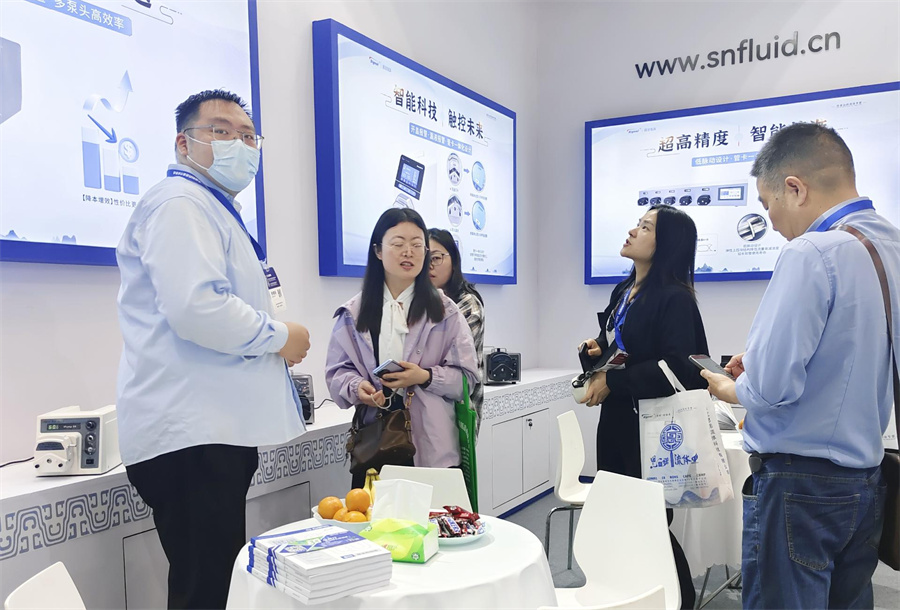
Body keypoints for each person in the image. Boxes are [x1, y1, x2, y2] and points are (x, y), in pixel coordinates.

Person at [116, 90, 310, 609]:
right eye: (222, 131)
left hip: (211, 433)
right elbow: (196, 308)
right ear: (184, 143)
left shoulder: (212, 209)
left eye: (248, 136)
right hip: (192, 435)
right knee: (206, 590)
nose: (239, 145)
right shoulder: (179, 203)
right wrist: (280, 337)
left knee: (215, 583)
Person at [702, 122, 898, 610]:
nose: (769, 221)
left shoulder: (811, 251)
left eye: (767, 204)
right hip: (868, 477)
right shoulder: (890, 246)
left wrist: (731, 388)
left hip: (800, 484)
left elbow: (769, 388)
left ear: (795, 188)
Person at [578, 205, 707, 609]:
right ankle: (635, 597)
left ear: (665, 243)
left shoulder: (675, 298)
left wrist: (613, 380)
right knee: (622, 518)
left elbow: (681, 368)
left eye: (646, 227)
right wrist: (597, 352)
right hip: (616, 421)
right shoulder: (624, 290)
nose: (633, 231)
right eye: (638, 224)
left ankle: (678, 599)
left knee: (649, 523)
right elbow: (621, 347)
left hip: (653, 430)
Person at [326, 209, 479, 488]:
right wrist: (358, 387)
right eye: (398, 244)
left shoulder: (446, 312)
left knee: (435, 516)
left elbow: (467, 381)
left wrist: (425, 377)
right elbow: (337, 374)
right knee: (374, 517)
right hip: (375, 445)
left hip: (432, 449)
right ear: (378, 251)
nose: (408, 252)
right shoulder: (353, 313)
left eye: (417, 245)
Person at [427, 228, 485, 435]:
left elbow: (442, 358)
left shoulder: (467, 304)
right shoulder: (420, 302)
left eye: (436, 258)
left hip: (458, 411)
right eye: (424, 258)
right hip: (425, 410)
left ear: (454, 261)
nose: (429, 266)